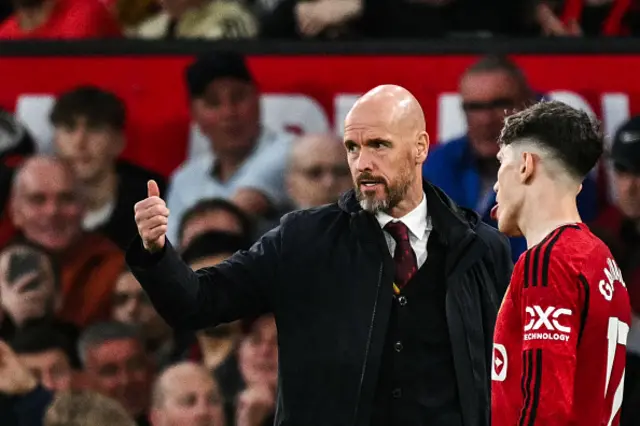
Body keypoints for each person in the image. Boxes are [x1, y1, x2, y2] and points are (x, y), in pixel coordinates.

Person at [127, 84, 512, 426]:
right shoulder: (303, 240)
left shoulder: (480, 247)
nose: (363, 163)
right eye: (353, 148)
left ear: (420, 147)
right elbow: (199, 301)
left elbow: (503, 374)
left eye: (378, 145)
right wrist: (156, 252)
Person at [490, 100, 631, 425]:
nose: (497, 185)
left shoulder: (548, 261)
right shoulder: (602, 261)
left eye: (502, 163)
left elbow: (547, 408)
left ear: (525, 164)